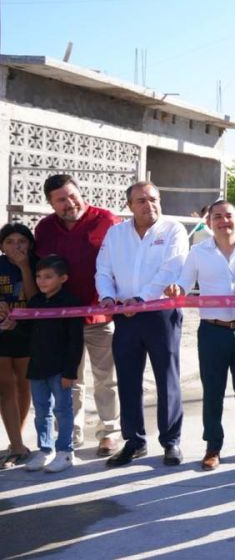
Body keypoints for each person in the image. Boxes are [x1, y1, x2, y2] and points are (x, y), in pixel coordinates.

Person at [167, 200, 235, 471]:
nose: (224, 221)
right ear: (209, 222)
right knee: (213, 393)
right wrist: (176, 289)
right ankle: (213, 446)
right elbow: (184, 284)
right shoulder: (198, 252)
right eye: (217, 217)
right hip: (212, 331)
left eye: (229, 216)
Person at [96, 181, 189, 468]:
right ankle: (134, 441)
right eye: (141, 201)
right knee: (128, 380)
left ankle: (171, 441)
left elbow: (171, 269)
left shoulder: (173, 230)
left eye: (154, 199)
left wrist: (141, 298)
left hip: (160, 314)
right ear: (129, 206)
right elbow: (103, 269)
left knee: (167, 378)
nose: (149, 205)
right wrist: (108, 297)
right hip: (125, 316)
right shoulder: (116, 234)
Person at [34, 174, 122, 456]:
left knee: (105, 379)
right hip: (61, 320)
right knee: (70, 380)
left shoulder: (106, 221)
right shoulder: (45, 229)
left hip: (100, 317)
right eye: (61, 199)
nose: (69, 202)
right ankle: (70, 432)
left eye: (72, 195)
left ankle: (109, 431)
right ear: (51, 203)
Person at [1, 256, 84, 473]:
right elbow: (28, 332)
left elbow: (76, 342)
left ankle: (66, 452)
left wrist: (70, 371)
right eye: (38, 276)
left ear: (63, 278)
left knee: (63, 410)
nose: (41, 281)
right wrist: (13, 327)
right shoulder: (35, 302)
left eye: (48, 276)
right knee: (41, 411)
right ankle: (46, 450)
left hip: (60, 370)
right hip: (37, 367)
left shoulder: (72, 303)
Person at [0, 223, 37, 468]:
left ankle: (17, 442)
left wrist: (24, 267)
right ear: (2, 246)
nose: (16, 246)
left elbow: (35, 299)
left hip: (28, 333)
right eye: (10, 241)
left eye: (21, 241)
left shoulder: (38, 264)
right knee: (5, 387)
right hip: (2, 331)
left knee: (24, 386)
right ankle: (16, 444)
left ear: (30, 244)